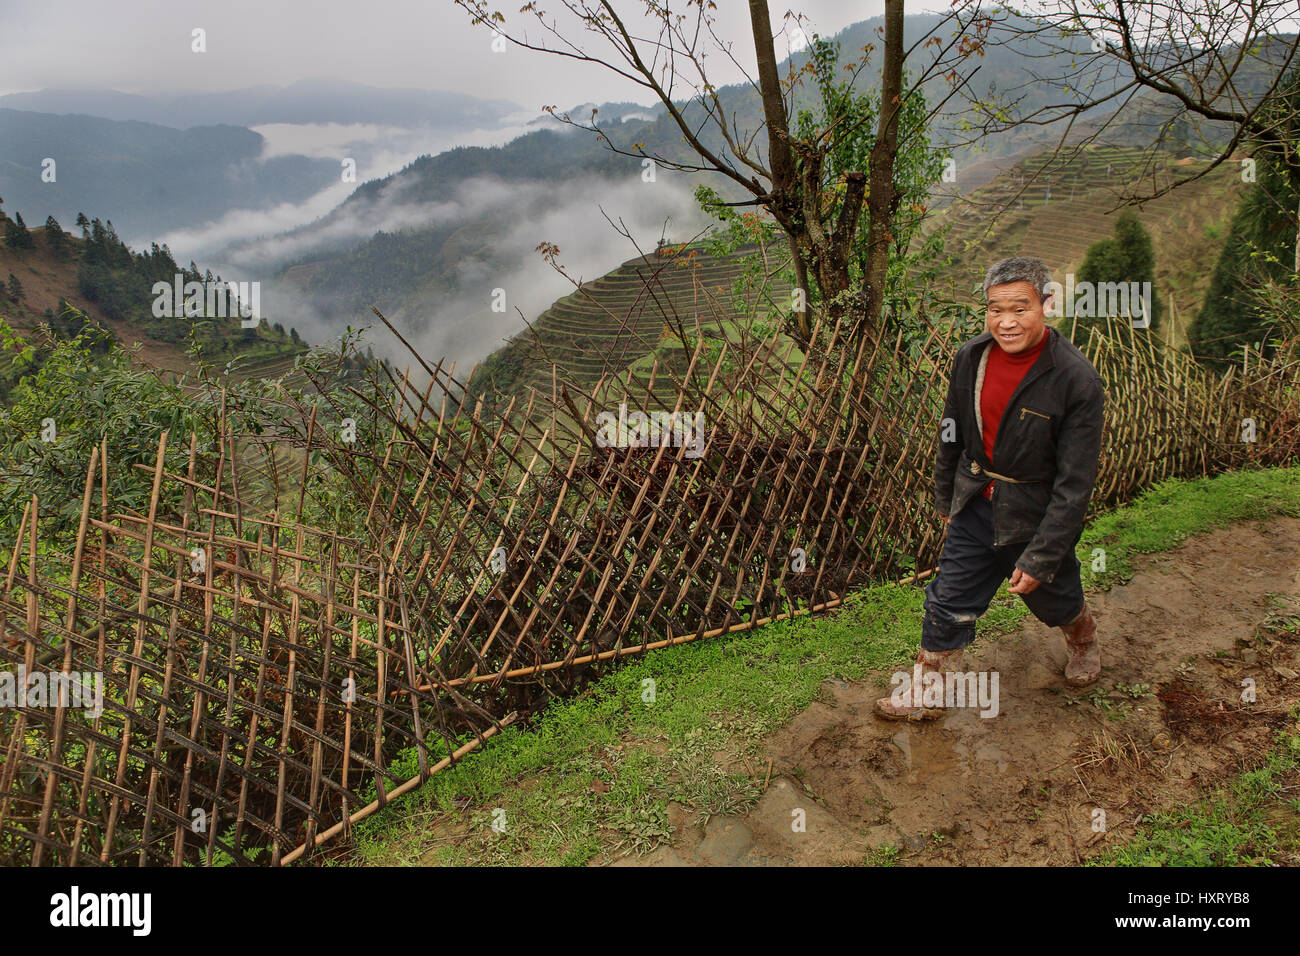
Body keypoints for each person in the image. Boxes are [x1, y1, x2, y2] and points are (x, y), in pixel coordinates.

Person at [875, 256, 1106, 720]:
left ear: (1047, 304)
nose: (1006, 321)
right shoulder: (972, 358)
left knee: (1054, 597)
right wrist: (946, 494)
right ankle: (928, 686)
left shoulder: (1075, 379)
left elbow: (1075, 484)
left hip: (1036, 512)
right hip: (977, 500)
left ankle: (1083, 641)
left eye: (1020, 308)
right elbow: (951, 430)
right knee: (948, 596)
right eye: (995, 309)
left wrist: (1043, 555)